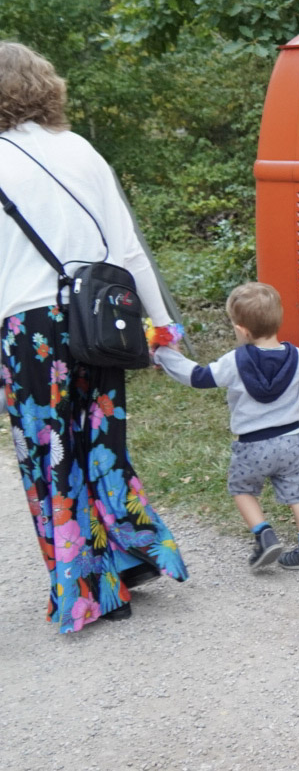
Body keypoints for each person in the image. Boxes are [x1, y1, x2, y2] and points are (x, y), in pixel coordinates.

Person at [0, 41, 190, 631]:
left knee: (49, 458)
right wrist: (161, 329)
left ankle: (90, 589)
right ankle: (130, 556)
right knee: (101, 444)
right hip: (99, 314)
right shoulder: (80, 149)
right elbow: (127, 248)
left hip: (29, 328)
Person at [153, 281, 299, 572]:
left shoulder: (235, 361)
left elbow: (198, 377)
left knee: (242, 489)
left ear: (242, 330)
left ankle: (264, 534)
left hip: (252, 445)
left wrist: (164, 354)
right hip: (291, 441)